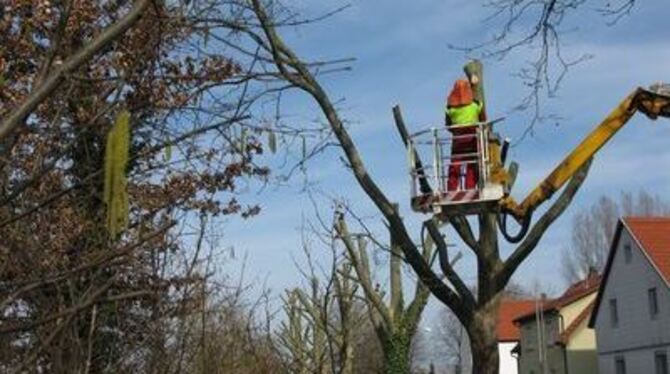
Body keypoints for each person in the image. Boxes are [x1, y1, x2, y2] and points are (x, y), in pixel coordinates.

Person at [445, 78, 483, 191]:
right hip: (472, 140)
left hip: (458, 141)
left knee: (455, 166)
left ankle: (451, 189)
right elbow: (481, 111)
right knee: (472, 165)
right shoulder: (475, 106)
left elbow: (448, 126)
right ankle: (470, 188)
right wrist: (474, 86)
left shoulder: (450, 110)